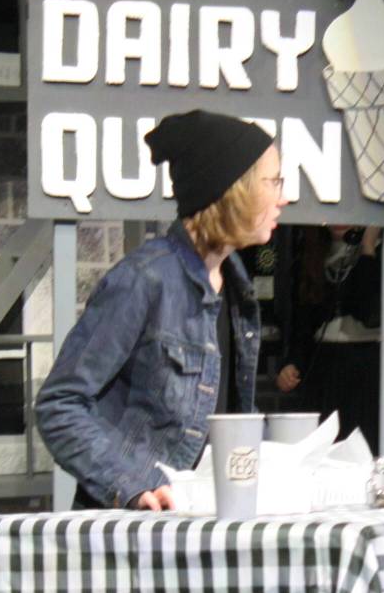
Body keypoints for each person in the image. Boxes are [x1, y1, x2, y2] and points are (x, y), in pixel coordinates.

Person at [36, 110, 285, 510]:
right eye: (273, 182)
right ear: (231, 189)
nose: (283, 197)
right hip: (132, 534)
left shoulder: (237, 288)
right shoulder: (144, 279)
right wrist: (133, 485)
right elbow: (59, 406)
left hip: (198, 525)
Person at [275, 225, 381, 452]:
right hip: (325, 364)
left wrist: (368, 248)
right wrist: (292, 363)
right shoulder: (313, 254)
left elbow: (367, 311)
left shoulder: (383, 253)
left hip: (366, 363)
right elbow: (302, 323)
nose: (338, 222)